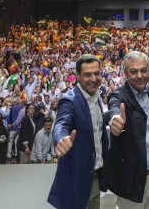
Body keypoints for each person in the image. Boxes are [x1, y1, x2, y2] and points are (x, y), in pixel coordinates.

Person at [103, 51, 149, 208]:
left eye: (143, 70)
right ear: (125, 73)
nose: (139, 75)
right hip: (130, 181)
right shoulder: (118, 95)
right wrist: (115, 120)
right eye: (134, 71)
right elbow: (114, 108)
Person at [48, 54, 109, 209]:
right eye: (87, 74)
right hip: (76, 180)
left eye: (97, 73)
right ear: (78, 75)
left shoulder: (96, 97)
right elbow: (62, 123)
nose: (93, 78)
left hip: (94, 176)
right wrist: (60, 138)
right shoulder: (70, 100)